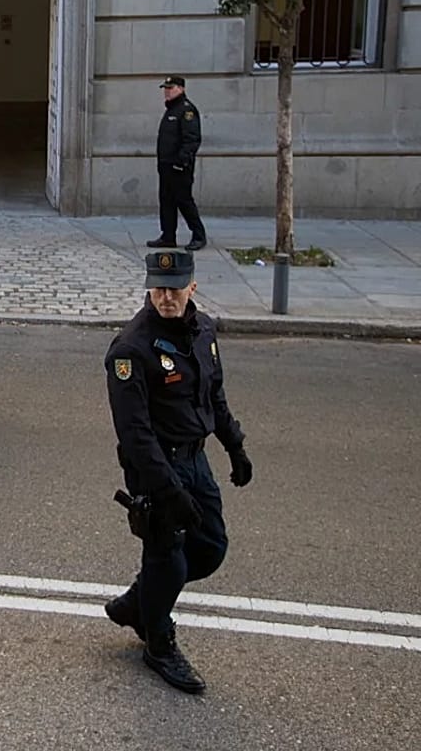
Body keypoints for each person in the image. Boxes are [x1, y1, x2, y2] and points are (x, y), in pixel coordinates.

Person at [101, 249, 253, 694]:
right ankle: (158, 642)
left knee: (210, 548)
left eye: (175, 288)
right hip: (155, 467)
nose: (166, 297)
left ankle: (140, 601)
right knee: (166, 554)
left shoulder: (203, 331)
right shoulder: (131, 349)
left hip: (194, 457)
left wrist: (235, 446)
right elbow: (134, 434)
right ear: (149, 287)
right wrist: (168, 492)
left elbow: (214, 396)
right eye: (159, 288)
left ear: (193, 286)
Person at [149, 76, 206, 251]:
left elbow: (191, 140)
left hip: (179, 166)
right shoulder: (172, 110)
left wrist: (182, 161)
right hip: (166, 165)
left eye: (170, 88)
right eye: (165, 88)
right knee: (166, 201)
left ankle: (198, 235)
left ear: (180, 89)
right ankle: (168, 236)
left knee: (184, 201)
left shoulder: (186, 110)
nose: (167, 91)